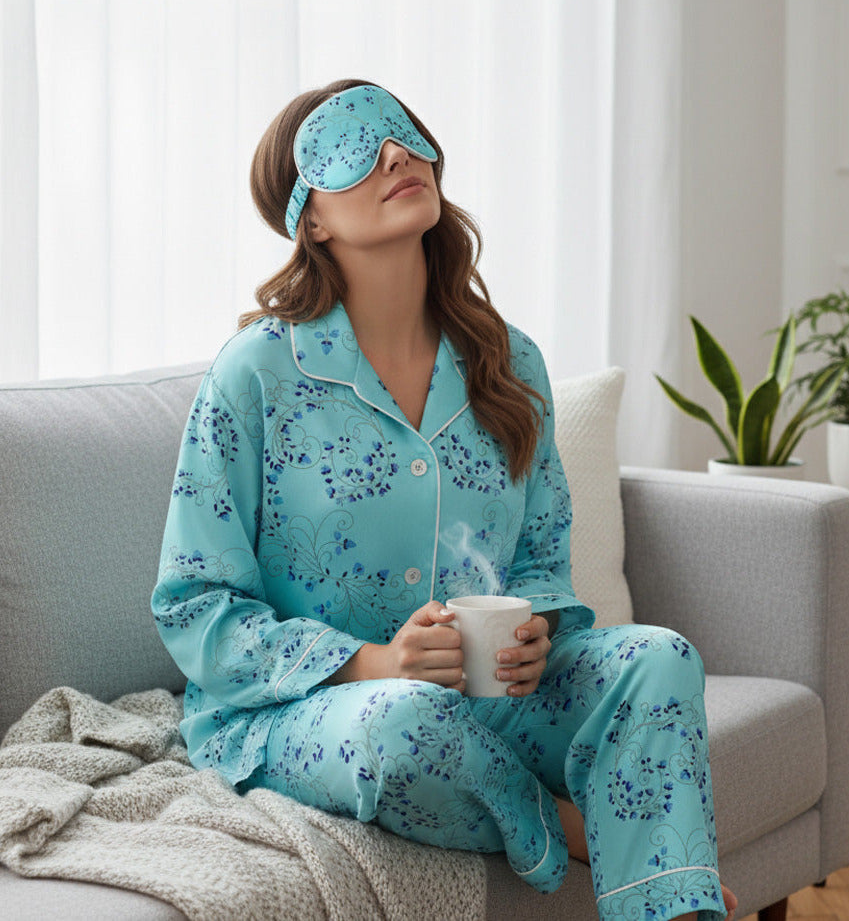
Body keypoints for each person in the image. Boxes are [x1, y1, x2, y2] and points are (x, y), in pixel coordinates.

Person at [151, 78, 738, 921]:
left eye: (401, 133)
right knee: (400, 720)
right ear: (307, 217)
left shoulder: (508, 360)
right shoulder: (257, 375)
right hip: (312, 710)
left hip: (486, 697)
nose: (393, 153)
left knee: (659, 658)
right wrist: (374, 661)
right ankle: (586, 837)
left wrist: (535, 626)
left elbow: (539, 553)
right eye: (351, 147)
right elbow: (194, 603)